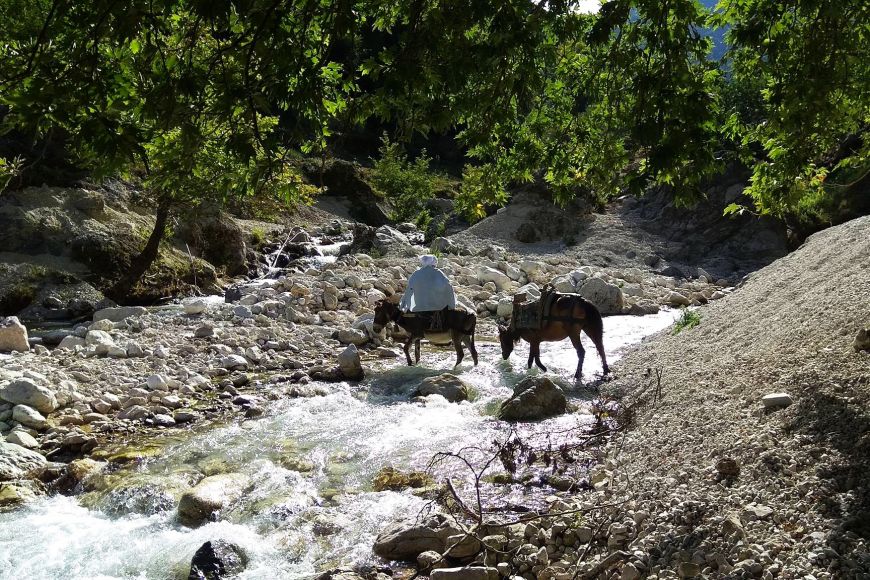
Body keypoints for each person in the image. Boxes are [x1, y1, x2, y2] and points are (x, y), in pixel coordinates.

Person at [399, 255, 456, 330]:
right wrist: (451, 305)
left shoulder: (416, 274)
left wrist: (404, 306)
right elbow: (448, 288)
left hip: (419, 308)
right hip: (439, 308)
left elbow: (409, 291)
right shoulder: (438, 273)